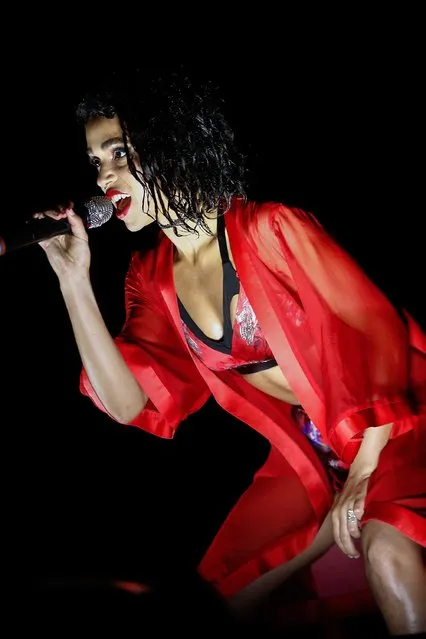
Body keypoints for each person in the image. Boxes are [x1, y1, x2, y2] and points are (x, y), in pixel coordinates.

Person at [36, 71, 425, 635]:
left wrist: (364, 469)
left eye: (119, 152)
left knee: (388, 552)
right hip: (311, 457)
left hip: (392, 426)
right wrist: (73, 282)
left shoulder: (271, 229)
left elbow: (377, 334)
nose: (105, 176)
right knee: (213, 602)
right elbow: (126, 402)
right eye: (96, 161)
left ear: (173, 141)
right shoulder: (153, 278)